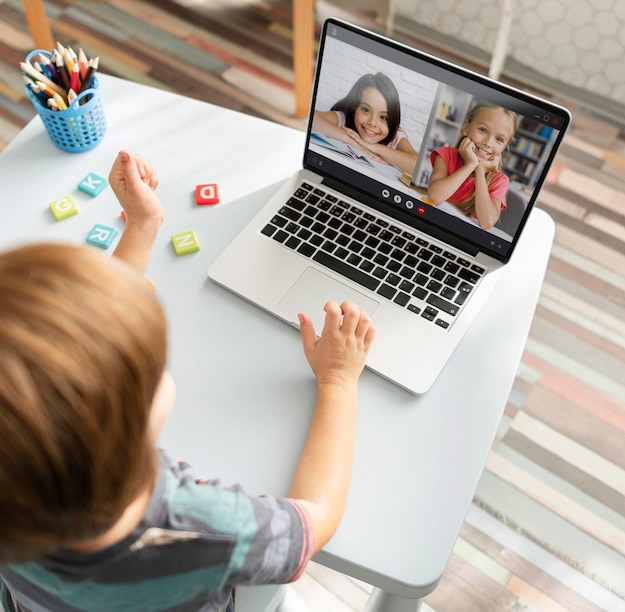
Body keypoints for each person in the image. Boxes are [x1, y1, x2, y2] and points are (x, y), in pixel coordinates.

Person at [0, 151, 376, 611]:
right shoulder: (201, 526)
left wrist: (142, 224)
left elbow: (83, 354)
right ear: (126, 426)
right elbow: (315, 523)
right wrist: (339, 381)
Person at [427, 101, 517, 229]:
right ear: (466, 127)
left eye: (499, 139)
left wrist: (480, 171)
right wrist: (470, 165)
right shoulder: (447, 155)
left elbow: (486, 222)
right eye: (483, 130)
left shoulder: (500, 180)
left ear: (504, 147)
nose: (488, 143)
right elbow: (434, 197)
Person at [312, 72, 418, 175]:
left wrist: (373, 147)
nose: (372, 122)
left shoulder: (395, 138)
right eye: (366, 110)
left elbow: (420, 169)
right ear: (354, 109)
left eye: (383, 117)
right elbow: (310, 118)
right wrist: (352, 141)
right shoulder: (344, 119)